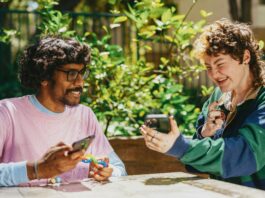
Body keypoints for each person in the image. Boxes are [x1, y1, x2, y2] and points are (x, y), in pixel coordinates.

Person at [140, 18, 265, 190]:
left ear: (245, 57)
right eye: (208, 67)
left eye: (220, 64)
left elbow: (245, 156)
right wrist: (205, 134)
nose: (214, 75)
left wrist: (180, 146)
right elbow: (197, 165)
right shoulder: (219, 96)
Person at [0, 36, 127, 187]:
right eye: (71, 74)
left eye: (82, 73)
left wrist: (108, 171)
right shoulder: (7, 113)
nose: (80, 82)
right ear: (44, 77)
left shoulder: (84, 115)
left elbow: (120, 169)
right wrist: (37, 170)